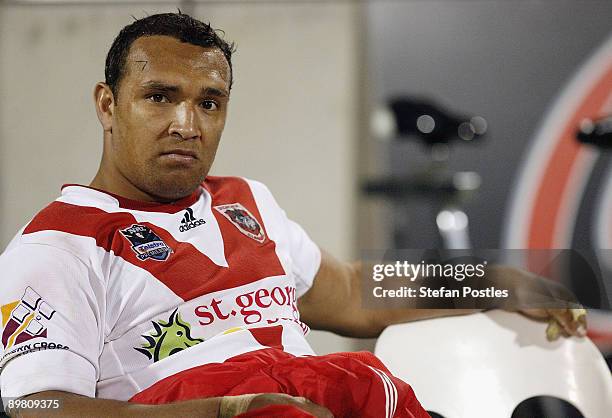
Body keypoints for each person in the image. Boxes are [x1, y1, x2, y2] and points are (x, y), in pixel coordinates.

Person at [0, 12, 585, 418]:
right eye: (159, 96)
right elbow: (35, 406)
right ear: (108, 104)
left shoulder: (247, 202)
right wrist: (226, 413)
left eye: (209, 103)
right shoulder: (56, 247)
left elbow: (354, 290)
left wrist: (491, 279)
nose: (187, 124)